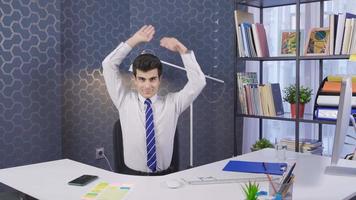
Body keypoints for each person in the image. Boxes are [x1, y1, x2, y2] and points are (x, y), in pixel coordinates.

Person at [102, 25, 206, 175]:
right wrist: (134, 40)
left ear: (159, 79)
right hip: (132, 176)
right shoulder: (123, 100)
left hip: (164, 176)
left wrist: (182, 50)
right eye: (142, 79)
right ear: (135, 79)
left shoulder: (173, 104)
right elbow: (108, 65)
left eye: (152, 79)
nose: (147, 85)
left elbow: (199, 82)